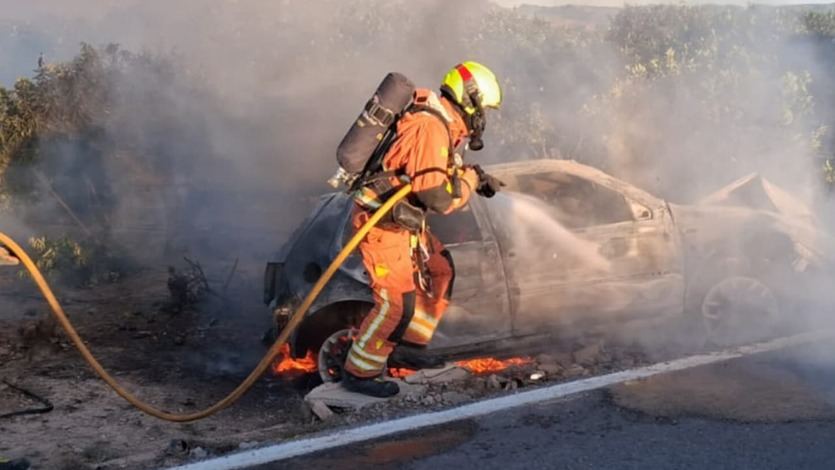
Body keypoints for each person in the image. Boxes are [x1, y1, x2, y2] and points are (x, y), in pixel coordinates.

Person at [343, 61, 505, 397]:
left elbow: (435, 170)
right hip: (383, 226)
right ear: (471, 101)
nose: (485, 119)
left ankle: (407, 349)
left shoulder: (440, 123)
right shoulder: (431, 127)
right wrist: (471, 182)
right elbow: (437, 197)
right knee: (395, 303)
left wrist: (474, 174)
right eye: (485, 109)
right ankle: (359, 373)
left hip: (403, 222)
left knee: (440, 269)